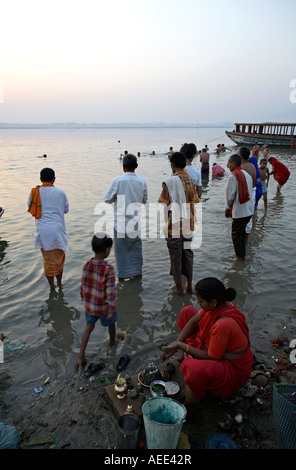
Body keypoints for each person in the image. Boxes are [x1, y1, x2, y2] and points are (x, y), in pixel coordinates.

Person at [160, 277, 253, 410]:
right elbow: (192, 322)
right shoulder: (218, 305)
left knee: (194, 369)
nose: (198, 304)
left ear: (214, 302)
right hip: (215, 348)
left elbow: (212, 357)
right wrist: (178, 344)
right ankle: (183, 357)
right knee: (186, 312)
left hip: (231, 370)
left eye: (201, 301)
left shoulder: (223, 324)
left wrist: (181, 345)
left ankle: (188, 407)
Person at [158, 152, 199, 296]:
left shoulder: (169, 182)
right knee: (188, 254)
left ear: (172, 165)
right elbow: (195, 201)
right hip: (188, 225)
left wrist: (165, 224)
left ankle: (179, 289)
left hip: (174, 226)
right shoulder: (190, 180)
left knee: (175, 257)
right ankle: (189, 286)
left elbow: (164, 204)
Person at [104, 153, 148, 280]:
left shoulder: (118, 181)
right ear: (136, 166)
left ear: (123, 167)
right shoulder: (142, 181)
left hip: (121, 224)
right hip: (135, 223)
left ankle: (122, 277)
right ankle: (137, 274)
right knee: (136, 250)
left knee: (121, 252)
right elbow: (144, 200)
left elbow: (107, 199)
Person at [78, 233, 117, 365]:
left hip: (90, 306)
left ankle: (81, 356)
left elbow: (83, 283)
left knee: (88, 327)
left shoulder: (87, 264)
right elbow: (110, 292)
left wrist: (83, 295)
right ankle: (112, 342)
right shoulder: (108, 269)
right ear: (107, 250)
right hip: (104, 307)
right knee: (112, 324)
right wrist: (111, 309)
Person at [28, 168, 69, 289]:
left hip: (42, 230)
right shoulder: (60, 192)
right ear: (54, 179)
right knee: (59, 258)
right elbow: (66, 210)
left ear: (40, 179)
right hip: (57, 230)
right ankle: (60, 283)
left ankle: (52, 287)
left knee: (47, 260)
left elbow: (30, 206)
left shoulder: (34, 192)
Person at [225, 154, 254, 260]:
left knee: (236, 235)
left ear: (235, 163)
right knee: (241, 234)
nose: (227, 165)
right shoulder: (246, 174)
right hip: (249, 210)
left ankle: (239, 258)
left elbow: (230, 196)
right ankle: (242, 255)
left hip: (240, 211)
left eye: (229, 163)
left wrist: (228, 208)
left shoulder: (233, 176)